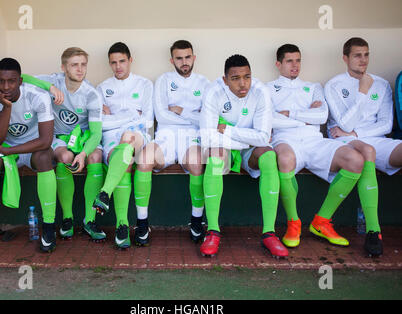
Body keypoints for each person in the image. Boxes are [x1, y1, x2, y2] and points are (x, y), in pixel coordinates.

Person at [267, 44, 368, 253]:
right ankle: (293, 223)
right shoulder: (267, 88)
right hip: (285, 140)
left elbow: (321, 116)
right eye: (289, 61)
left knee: (356, 160)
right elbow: (270, 120)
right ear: (278, 64)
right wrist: (304, 116)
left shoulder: (314, 87)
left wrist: (289, 114)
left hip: (315, 139)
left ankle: (321, 221)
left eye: (298, 60)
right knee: (285, 159)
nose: (295, 65)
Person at [199, 54, 287, 258]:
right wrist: (247, 139)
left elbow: (264, 137)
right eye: (235, 78)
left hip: (245, 146)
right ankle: (212, 231)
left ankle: (269, 233)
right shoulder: (213, 91)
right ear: (224, 80)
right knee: (214, 157)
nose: (242, 83)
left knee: (268, 156)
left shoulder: (260, 91)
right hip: (225, 147)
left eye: (247, 77)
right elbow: (207, 138)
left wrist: (228, 131)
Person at [325, 37, 402, 255]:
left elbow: (386, 124)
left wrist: (358, 133)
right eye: (358, 55)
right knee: (367, 151)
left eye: (366, 54)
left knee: (374, 148)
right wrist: (362, 91)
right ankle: (373, 231)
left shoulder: (382, 84)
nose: (363, 60)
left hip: (374, 137)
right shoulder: (334, 85)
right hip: (343, 141)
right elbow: (344, 125)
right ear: (345, 58)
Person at [21, 47, 105, 241]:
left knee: (95, 156)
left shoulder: (91, 94)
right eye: (74, 65)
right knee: (65, 157)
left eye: (83, 64)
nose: (80, 69)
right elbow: (22, 77)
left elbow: (96, 133)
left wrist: (83, 154)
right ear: (63, 67)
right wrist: (49, 88)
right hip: (60, 137)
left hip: (84, 138)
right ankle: (67, 217)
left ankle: (89, 220)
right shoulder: (54, 81)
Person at [0, 57, 57, 253]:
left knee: (45, 157)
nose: (6, 86)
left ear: (20, 81)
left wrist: (8, 150)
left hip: (32, 148)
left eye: (11, 81)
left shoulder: (37, 96)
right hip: (5, 151)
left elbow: (46, 140)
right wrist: (7, 107)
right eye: (1, 81)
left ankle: (48, 226)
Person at [135, 40, 210, 244]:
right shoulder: (163, 80)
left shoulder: (205, 84)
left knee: (196, 163)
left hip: (192, 137)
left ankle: (196, 221)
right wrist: (194, 114)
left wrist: (181, 110)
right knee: (143, 159)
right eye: (179, 58)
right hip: (166, 136)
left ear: (194, 57)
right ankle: (142, 224)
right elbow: (162, 115)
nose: (184, 62)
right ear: (172, 60)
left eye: (187, 57)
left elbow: (207, 119)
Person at [93, 42, 154, 249]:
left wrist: (115, 116)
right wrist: (129, 115)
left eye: (122, 61)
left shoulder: (145, 85)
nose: (118, 66)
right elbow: (100, 124)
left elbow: (147, 121)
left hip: (138, 134)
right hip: (110, 136)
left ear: (130, 60)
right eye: (113, 63)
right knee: (124, 161)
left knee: (128, 137)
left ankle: (105, 193)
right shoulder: (101, 88)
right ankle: (122, 226)